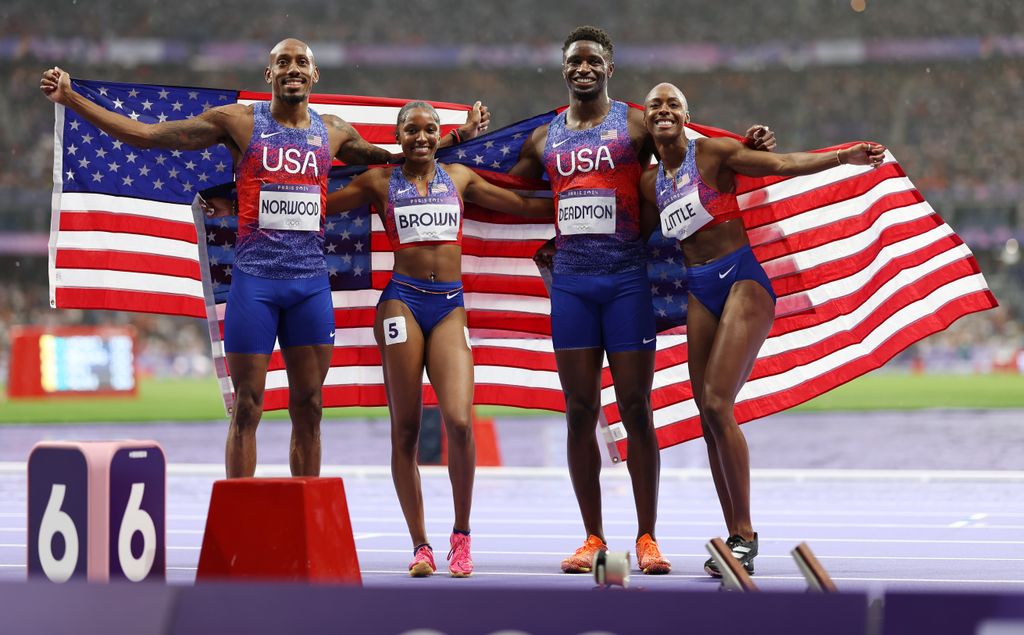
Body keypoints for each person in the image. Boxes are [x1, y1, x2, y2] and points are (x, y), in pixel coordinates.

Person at [39, 39, 489, 479]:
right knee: (248, 408)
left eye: (301, 62)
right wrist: (73, 97)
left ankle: (303, 525)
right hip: (255, 285)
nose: (293, 69)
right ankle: (238, 526)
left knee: (310, 408)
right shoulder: (239, 122)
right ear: (269, 75)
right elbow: (149, 136)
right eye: (283, 62)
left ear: (314, 75)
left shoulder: (332, 130)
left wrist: (456, 137)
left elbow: (403, 156)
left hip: (310, 285)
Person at [509, 25, 776, 575]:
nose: (583, 69)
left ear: (609, 67)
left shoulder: (635, 123)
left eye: (593, 61)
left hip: (629, 282)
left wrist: (749, 143)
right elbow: (502, 188)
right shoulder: (543, 139)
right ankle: (592, 537)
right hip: (573, 287)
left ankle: (648, 536)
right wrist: (451, 154)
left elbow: (691, 146)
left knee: (637, 411)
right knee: (580, 411)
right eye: (575, 61)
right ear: (564, 69)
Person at [640, 82, 885, 576]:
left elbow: (781, 166)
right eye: (655, 105)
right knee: (706, 416)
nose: (664, 110)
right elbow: (633, 236)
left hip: (742, 281)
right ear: (646, 121)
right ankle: (734, 535)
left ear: (688, 117)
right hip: (698, 288)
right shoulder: (648, 184)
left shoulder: (713, 153)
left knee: (715, 403)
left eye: (674, 104)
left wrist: (845, 157)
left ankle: (747, 535)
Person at [326, 101, 550, 577]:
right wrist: (240, 196)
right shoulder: (378, 181)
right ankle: (421, 545)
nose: (422, 137)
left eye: (430, 130)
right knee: (405, 429)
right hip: (400, 303)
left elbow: (520, 204)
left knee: (460, 422)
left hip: (449, 306)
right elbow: (315, 204)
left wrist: (591, 200)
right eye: (412, 130)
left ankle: (461, 536)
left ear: (440, 134)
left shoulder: (460, 177)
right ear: (399, 136)